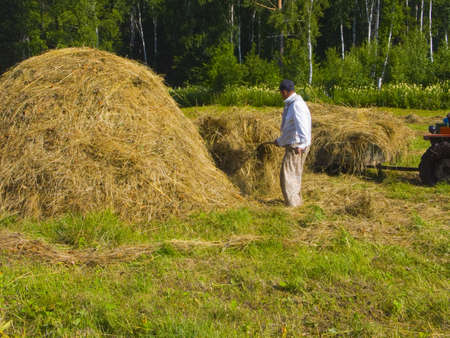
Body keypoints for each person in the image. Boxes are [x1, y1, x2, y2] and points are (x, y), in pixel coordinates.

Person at [273, 79, 312, 207]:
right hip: (295, 144)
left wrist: (302, 145)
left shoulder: (296, 105)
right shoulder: (292, 104)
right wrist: (279, 141)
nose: (280, 95)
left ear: (284, 92)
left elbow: (303, 126)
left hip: (296, 147)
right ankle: (296, 202)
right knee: (293, 175)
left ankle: (293, 206)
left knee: (287, 176)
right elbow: (290, 128)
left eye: (281, 92)